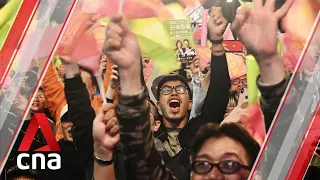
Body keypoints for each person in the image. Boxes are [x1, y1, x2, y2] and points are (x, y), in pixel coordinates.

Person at [97, 0, 294, 179]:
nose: (213, 174)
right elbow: (141, 159)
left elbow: (284, 146)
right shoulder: (154, 138)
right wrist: (130, 71)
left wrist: (268, 61)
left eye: (229, 164)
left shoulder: (197, 127)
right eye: (203, 164)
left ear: (256, 174)